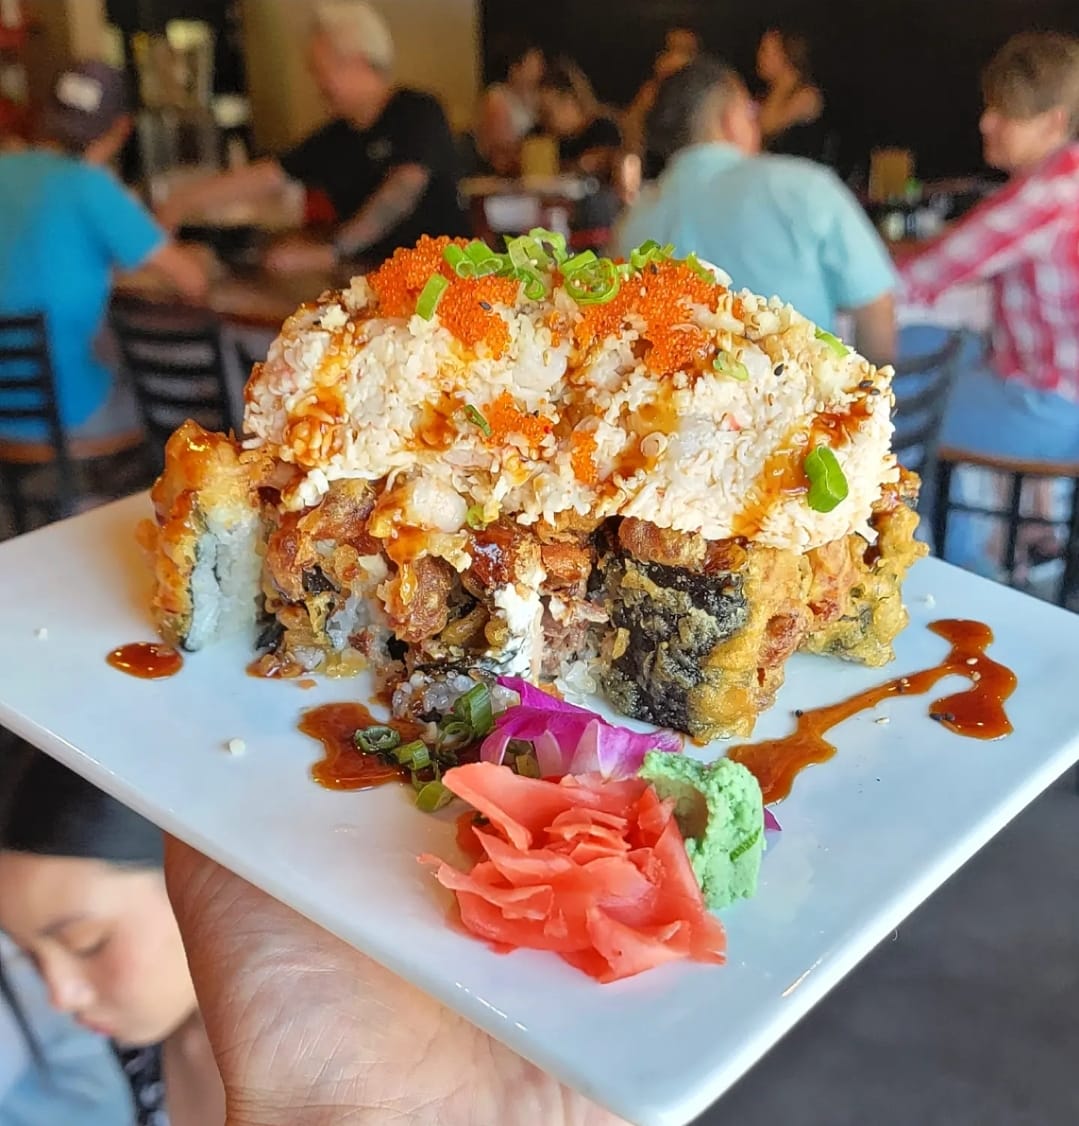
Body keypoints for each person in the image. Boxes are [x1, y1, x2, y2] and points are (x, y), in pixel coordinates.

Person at [900, 32, 1079, 574]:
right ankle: (1032, 534)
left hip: (1052, 407)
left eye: (1006, 113)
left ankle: (963, 570)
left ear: (1051, 122)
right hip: (1051, 387)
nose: (986, 123)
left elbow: (921, 278)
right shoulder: (1064, 176)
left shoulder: (1044, 196)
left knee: (893, 407)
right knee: (928, 347)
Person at [613, 57, 897, 365]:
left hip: (671, 395)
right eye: (750, 112)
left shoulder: (629, 225)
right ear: (729, 120)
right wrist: (870, 389)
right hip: (802, 393)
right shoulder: (803, 188)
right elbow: (875, 308)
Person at [0, 740, 225, 1125]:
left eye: (87, 943)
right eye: (30, 955)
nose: (61, 996)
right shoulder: (144, 1047)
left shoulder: (333, 1068)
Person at [157, 2, 467, 272]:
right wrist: (179, 202)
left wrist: (333, 250)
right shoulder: (335, 137)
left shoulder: (418, 111)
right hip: (379, 285)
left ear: (358, 62)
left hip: (444, 283)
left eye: (322, 71)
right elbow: (266, 175)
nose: (318, 84)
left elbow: (402, 190)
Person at [0, 61, 206, 441]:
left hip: (7, 413)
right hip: (70, 413)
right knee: (189, 384)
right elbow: (192, 281)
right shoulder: (91, 186)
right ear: (122, 127)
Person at [623, 26, 700, 159]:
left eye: (685, 51)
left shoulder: (706, 95)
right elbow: (631, 132)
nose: (676, 57)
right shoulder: (649, 92)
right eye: (670, 50)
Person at [474, 37, 546, 175]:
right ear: (515, 68)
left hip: (537, 168)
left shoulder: (539, 96)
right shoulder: (497, 97)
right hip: (503, 172)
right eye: (534, 63)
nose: (540, 69)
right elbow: (500, 150)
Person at [540, 62, 623, 179]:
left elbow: (597, 164)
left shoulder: (602, 130)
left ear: (570, 101)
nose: (543, 120)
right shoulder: (541, 135)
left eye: (547, 113)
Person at [755, 29, 827, 161]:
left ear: (786, 56)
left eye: (765, 51)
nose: (759, 56)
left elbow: (766, 127)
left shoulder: (807, 96)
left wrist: (782, 85)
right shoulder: (764, 95)